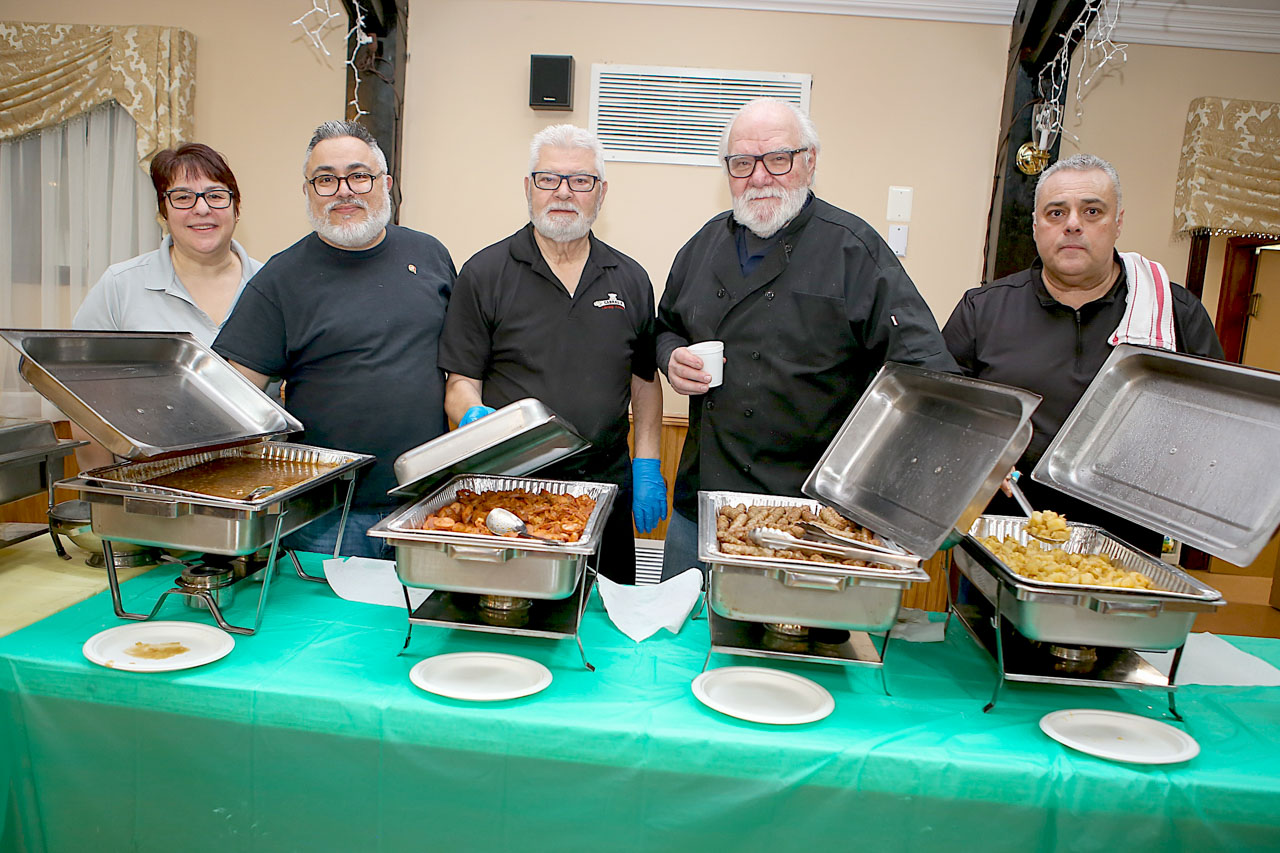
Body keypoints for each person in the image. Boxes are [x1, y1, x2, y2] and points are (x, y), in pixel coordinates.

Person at [656, 99, 957, 581]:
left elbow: (924, 365)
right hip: (702, 503)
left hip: (811, 520)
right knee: (681, 648)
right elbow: (665, 324)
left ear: (810, 161)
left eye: (778, 158)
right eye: (742, 163)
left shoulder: (852, 248)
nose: (759, 177)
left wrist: (963, 452)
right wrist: (671, 356)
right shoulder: (702, 245)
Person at [942, 153, 1224, 555]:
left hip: (1127, 539)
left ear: (1118, 223)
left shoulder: (1173, 311)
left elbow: (1211, 422)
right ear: (1037, 225)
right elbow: (941, 412)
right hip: (1002, 530)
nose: (1073, 224)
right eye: (1056, 212)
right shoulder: (982, 309)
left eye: (1092, 211)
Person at [213, 120, 455, 559]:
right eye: (325, 179)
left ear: (385, 184)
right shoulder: (281, 280)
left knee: (422, 626)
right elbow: (232, 393)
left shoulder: (430, 254)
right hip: (328, 518)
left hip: (430, 507)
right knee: (329, 628)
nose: (344, 190)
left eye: (358, 175)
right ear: (307, 192)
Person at [438, 124, 665, 585]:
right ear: (528, 188)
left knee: (608, 626)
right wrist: (472, 418)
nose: (564, 192)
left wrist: (648, 463)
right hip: (510, 492)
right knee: (511, 617)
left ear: (601, 193)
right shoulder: (484, 274)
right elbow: (460, 384)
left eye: (580, 180)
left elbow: (644, 382)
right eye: (548, 179)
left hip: (607, 489)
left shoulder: (631, 279)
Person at [72, 143, 263, 470]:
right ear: (163, 211)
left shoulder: (272, 286)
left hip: (255, 489)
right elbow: (80, 399)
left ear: (237, 207)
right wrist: (102, 490)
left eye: (216, 195)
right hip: (150, 492)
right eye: (183, 197)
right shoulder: (120, 286)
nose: (201, 210)